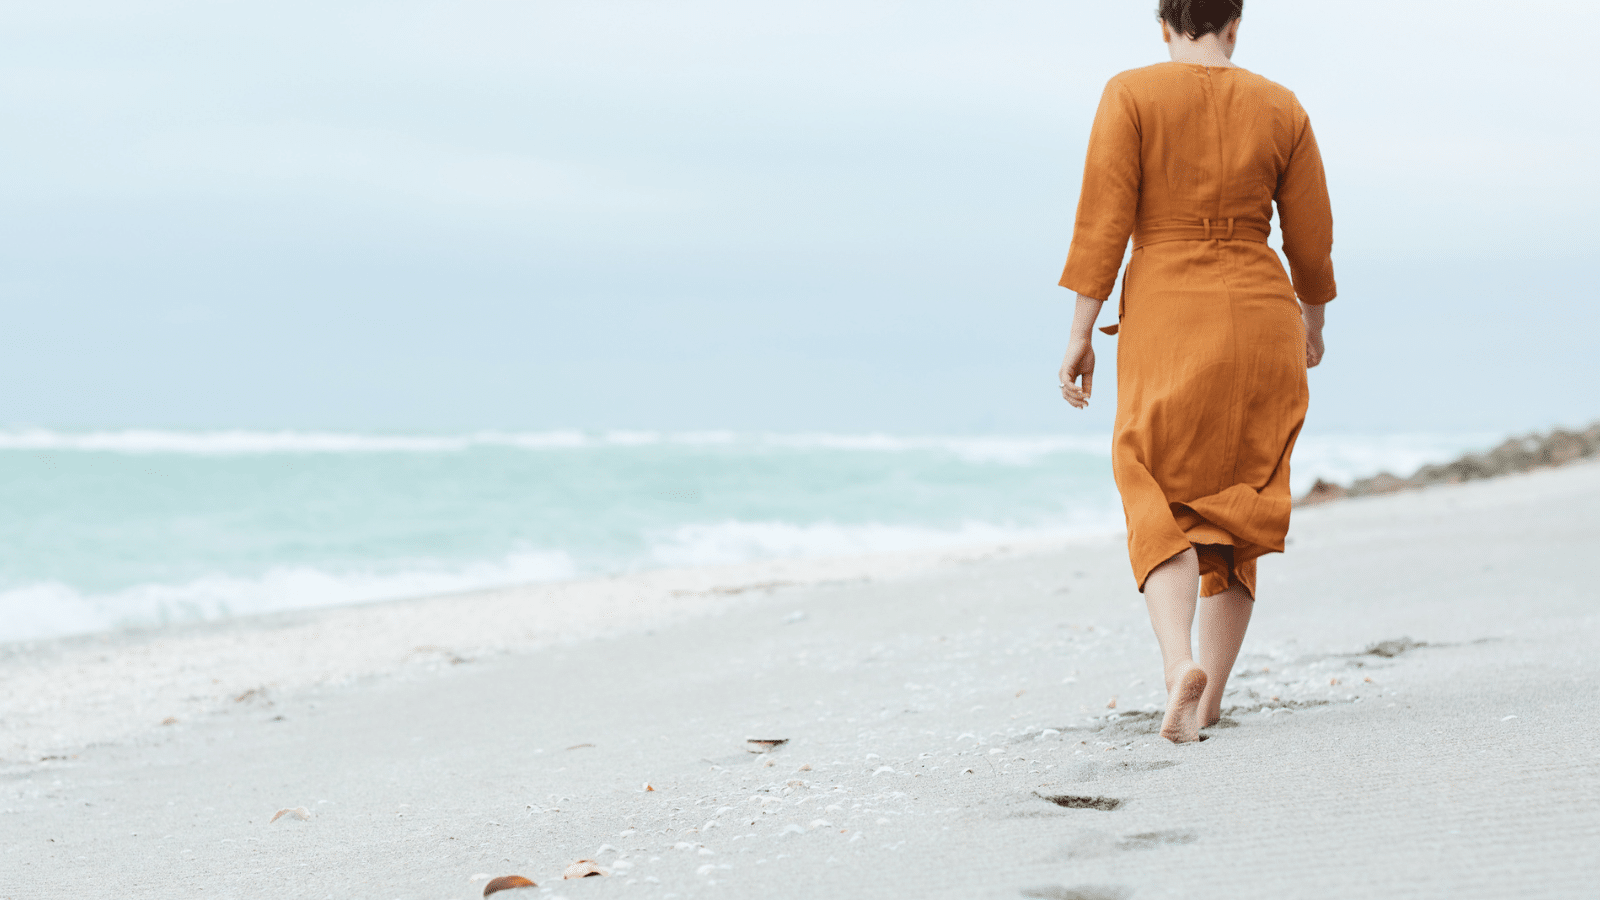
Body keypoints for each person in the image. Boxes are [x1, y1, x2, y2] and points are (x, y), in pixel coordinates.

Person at [1056, 0, 1335, 743]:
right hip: (1259, 315)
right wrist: (1312, 323)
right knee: (1238, 504)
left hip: (1169, 313)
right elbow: (1310, 239)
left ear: (1163, 25)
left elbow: (1103, 221)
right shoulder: (1281, 106)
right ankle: (1208, 706)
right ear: (1235, 25)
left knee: (1152, 483)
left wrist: (1082, 333)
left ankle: (1180, 663)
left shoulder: (1133, 93)